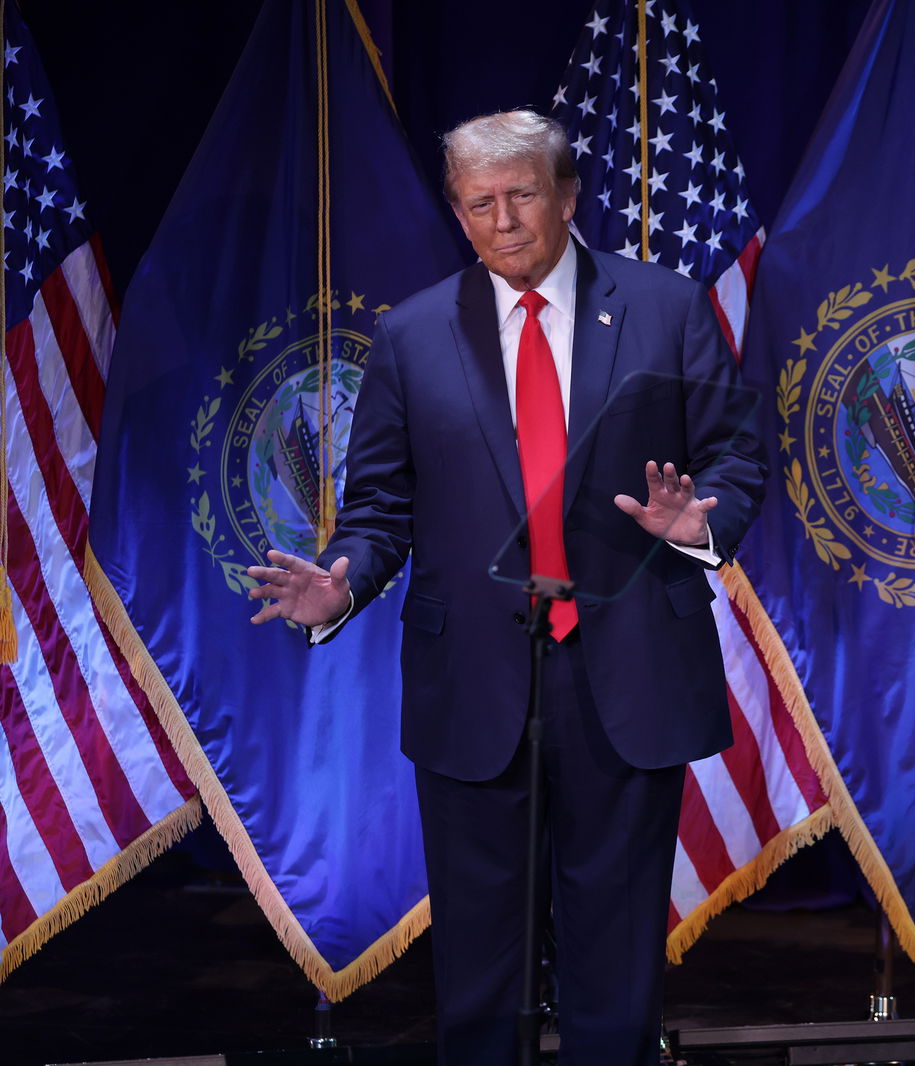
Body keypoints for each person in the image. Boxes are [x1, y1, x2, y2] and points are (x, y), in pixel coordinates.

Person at [245, 109, 765, 1066]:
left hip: (629, 669)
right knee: (481, 969)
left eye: (522, 195)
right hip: (476, 678)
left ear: (567, 196)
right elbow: (380, 507)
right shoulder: (413, 334)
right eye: (479, 203)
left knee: (616, 966)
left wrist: (701, 523)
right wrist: (341, 588)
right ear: (458, 213)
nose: (504, 221)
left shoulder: (667, 308)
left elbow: (737, 456)